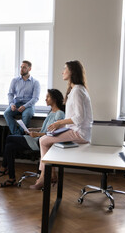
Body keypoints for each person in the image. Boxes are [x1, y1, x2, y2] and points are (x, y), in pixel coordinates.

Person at [30, 60, 93, 190]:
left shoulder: (77, 91)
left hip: (79, 133)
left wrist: (59, 122)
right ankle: (51, 174)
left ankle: (44, 176)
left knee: (43, 140)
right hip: (78, 131)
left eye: (65, 69)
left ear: (72, 72)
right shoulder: (78, 89)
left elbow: (79, 118)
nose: (62, 71)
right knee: (47, 139)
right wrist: (60, 126)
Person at [0, 89, 65, 187]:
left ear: (54, 99)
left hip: (41, 142)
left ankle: (4, 168)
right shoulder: (51, 112)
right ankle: (11, 178)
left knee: (9, 138)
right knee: (9, 146)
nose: (45, 99)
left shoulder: (59, 114)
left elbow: (53, 133)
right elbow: (45, 128)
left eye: (48, 97)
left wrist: (37, 134)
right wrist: (34, 129)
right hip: (37, 139)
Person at [4, 60, 40, 135]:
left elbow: (35, 98)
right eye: (21, 67)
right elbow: (10, 94)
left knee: (26, 115)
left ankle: (18, 136)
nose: (21, 69)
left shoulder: (35, 82)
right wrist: (11, 104)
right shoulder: (15, 80)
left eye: (24, 67)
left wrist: (24, 106)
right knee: (7, 113)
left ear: (29, 69)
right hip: (17, 104)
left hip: (29, 105)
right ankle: (17, 135)